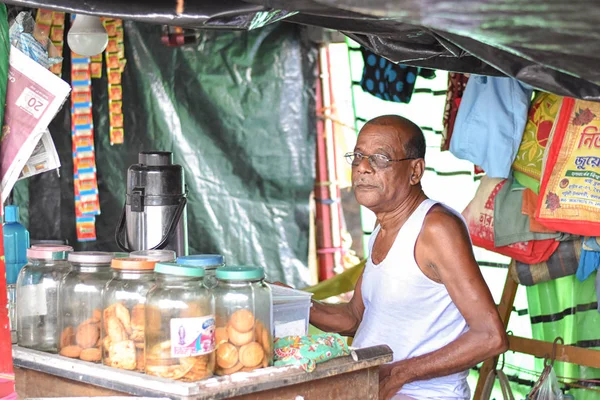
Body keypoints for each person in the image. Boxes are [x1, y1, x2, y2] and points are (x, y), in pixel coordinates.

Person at [309, 115, 508, 400]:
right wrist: (296, 304)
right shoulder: (382, 227)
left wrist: (400, 373)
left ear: (415, 171)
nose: (363, 168)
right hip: (373, 388)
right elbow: (356, 317)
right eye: (358, 156)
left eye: (380, 158)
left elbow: (490, 337)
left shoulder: (436, 228)